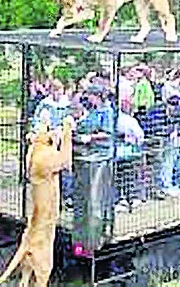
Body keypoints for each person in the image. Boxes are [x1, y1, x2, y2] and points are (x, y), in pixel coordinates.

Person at [72, 84, 115, 248]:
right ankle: (81, 234)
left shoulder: (107, 112)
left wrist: (89, 138)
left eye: (89, 95)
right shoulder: (92, 112)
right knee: (83, 199)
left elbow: (107, 133)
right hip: (84, 158)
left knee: (96, 199)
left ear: (96, 96)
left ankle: (97, 236)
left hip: (101, 159)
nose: (87, 98)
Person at [114, 99, 145, 212]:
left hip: (117, 153)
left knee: (119, 176)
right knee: (129, 175)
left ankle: (120, 199)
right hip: (128, 153)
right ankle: (130, 197)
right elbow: (140, 135)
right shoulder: (130, 120)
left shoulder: (115, 118)